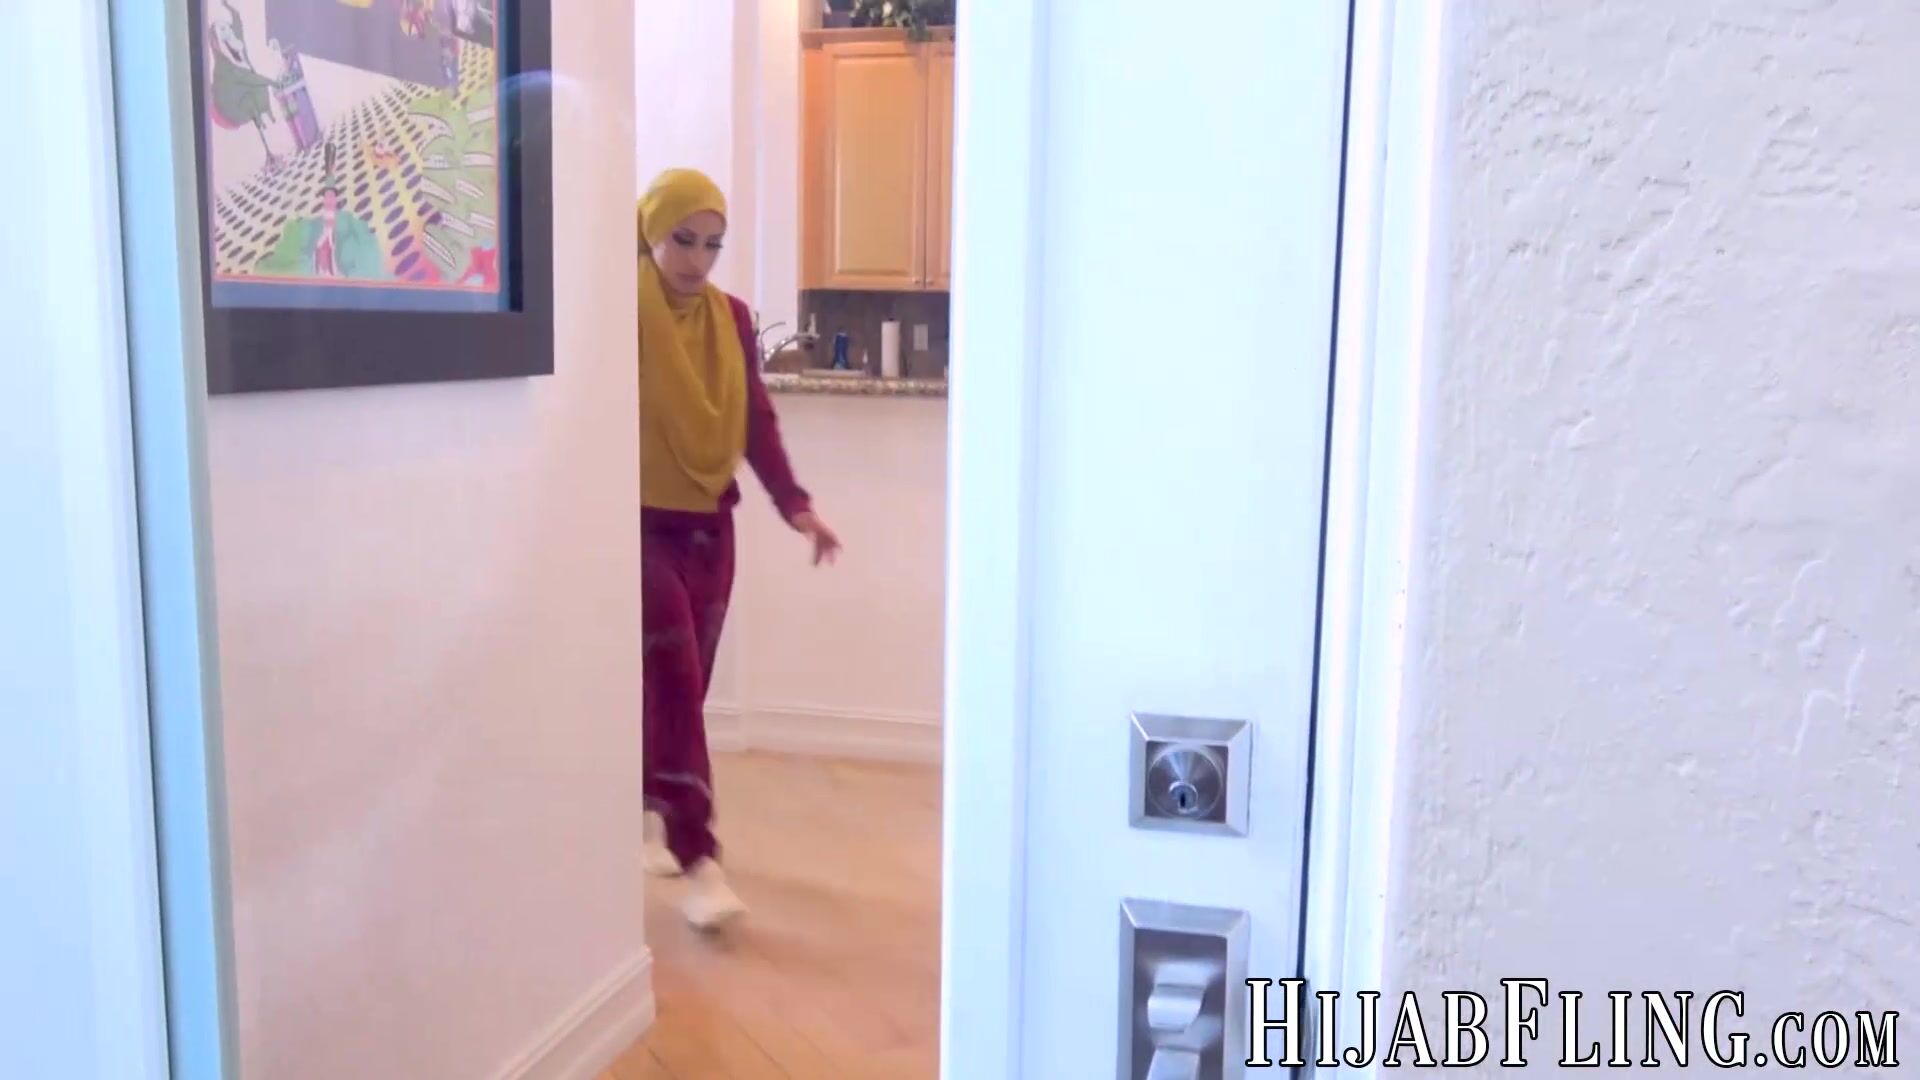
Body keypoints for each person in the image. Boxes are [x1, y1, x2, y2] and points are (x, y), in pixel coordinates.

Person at [635, 168, 841, 931]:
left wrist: (797, 506)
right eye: (682, 240)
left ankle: (649, 810)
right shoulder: (618, 310)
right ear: (650, 231)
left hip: (709, 527)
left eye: (712, 245)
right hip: (636, 522)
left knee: (678, 688)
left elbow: (756, 419)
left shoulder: (732, 318)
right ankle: (701, 861)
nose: (697, 259)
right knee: (675, 679)